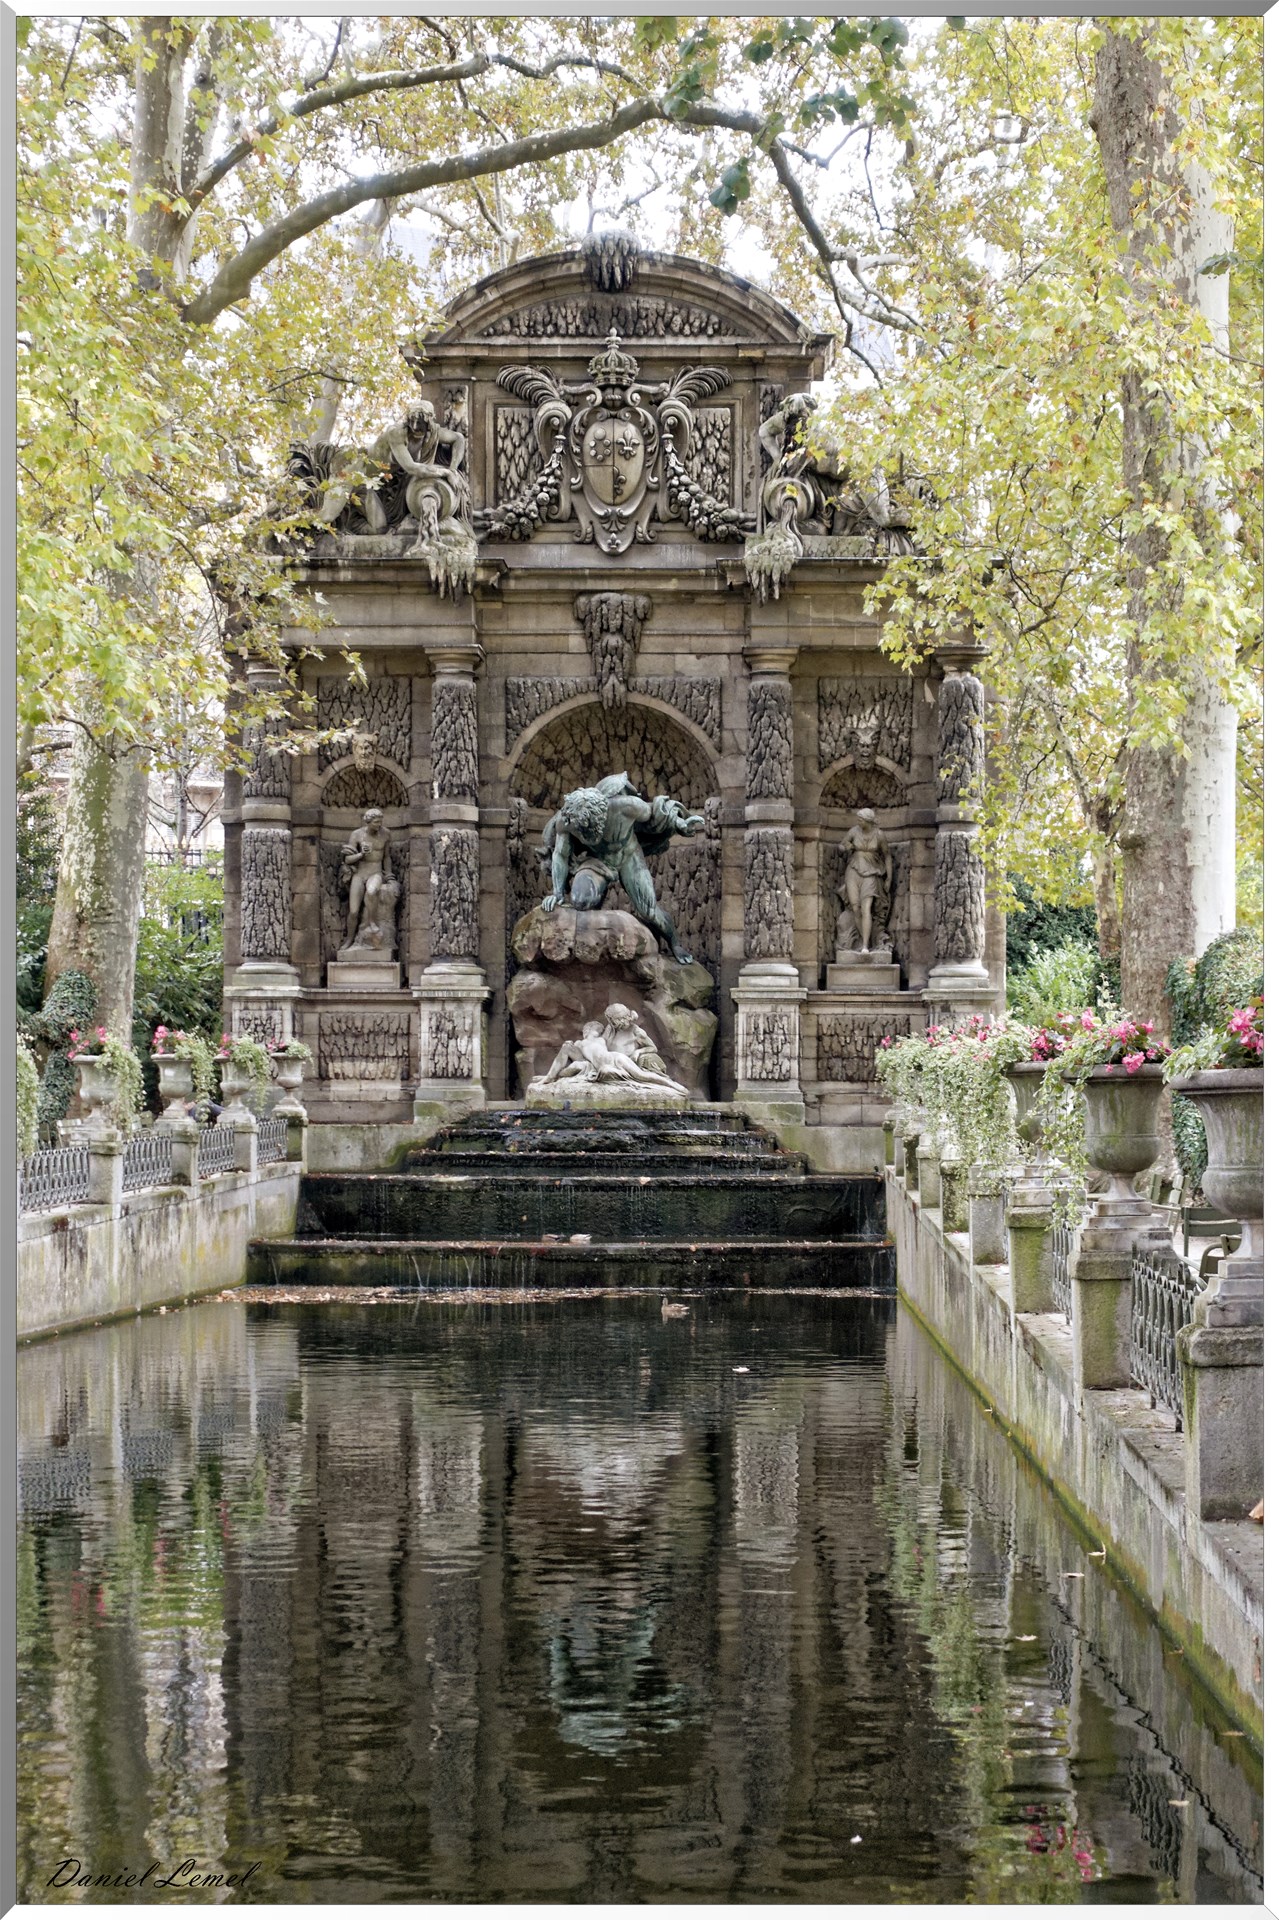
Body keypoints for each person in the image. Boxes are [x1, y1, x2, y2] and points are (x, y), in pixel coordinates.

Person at [540, 773, 704, 964]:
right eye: (581, 831)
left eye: (590, 828)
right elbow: (560, 854)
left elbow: (656, 813)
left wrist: (680, 823)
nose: (585, 835)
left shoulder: (626, 806)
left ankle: (674, 942)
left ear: (602, 815)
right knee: (580, 900)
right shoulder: (566, 821)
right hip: (596, 861)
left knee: (649, 912)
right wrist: (558, 892)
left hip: (628, 856)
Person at [838, 808, 894, 953]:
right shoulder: (853, 831)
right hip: (853, 871)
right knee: (855, 908)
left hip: (871, 872)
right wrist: (845, 847)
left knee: (866, 908)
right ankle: (867, 942)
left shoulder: (879, 835)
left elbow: (887, 855)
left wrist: (889, 877)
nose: (858, 821)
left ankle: (864, 946)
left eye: (860, 819)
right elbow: (841, 845)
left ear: (868, 821)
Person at [341, 808, 394, 951]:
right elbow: (347, 859)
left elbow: (387, 856)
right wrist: (360, 855)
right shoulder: (357, 835)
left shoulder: (386, 834)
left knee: (371, 891)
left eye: (380, 822)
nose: (379, 825)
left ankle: (372, 923)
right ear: (368, 822)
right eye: (376, 822)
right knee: (353, 911)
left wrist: (388, 874)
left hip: (376, 872)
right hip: (360, 873)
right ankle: (349, 939)